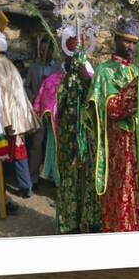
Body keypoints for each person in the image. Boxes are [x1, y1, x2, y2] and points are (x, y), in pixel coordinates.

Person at [86, 17, 139, 232]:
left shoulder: (137, 70)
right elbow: (112, 109)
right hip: (119, 149)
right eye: (126, 41)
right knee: (123, 193)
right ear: (116, 39)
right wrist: (137, 87)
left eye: (134, 42)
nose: (130, 47)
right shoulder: (104, 72)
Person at [54, 29, 99, 234]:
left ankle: (90, 221)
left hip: (89, 141)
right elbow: (57, 107)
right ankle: (69, 224)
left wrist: (88, 81)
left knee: (89, 180)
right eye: (72, 58)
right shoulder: (62, 81)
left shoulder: (93, 79)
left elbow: (99, 103)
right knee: (69, 182)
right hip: (68, 140)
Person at [0, 32, 40, 198]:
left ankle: (24, 186)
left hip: (10, 116)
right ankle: (24, 185)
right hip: (19, 115)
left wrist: (4, 119)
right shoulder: (10, 65)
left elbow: (0, 95)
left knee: (15, 151)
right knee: (19, 151)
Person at [26, 38, 61, 188]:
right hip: (37, 112)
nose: (42, 53)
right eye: (40, 50)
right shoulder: (33, 68)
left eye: (45, 50)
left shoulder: (59, 69)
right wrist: (34, 97)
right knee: (36, 144)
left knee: (53, 144)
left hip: (54, 114)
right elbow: (26, 87)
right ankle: (32, 178)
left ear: (52, 51)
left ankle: (53, 177)